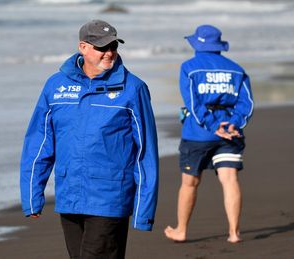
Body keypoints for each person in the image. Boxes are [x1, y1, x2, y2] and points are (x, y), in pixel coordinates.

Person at [20, 20, 159, 258]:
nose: (110, 52)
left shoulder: (133, 89)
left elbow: (145, 152)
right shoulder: (56, 86)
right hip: (69, 197)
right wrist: (32, 196)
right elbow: (39, 144)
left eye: (113, 46)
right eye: (102, 47)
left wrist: (144, 209)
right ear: (82, 47)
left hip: (109, 198)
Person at [164, 25, 254, 243]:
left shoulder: (189, 67)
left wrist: (214, 126)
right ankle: (234, 233)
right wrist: (232, 124)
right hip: (231, 132)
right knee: (229, 178)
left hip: (199, 133)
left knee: (190, 182)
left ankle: (181, 230)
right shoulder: (237, 69)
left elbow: (193, 103)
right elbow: (247, 104)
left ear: (197, 44)